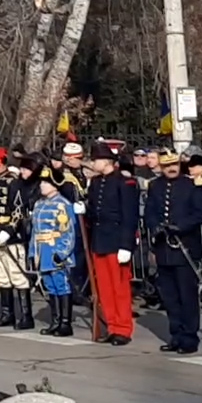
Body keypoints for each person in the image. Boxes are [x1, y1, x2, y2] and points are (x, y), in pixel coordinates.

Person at [143, 151, 202, 354]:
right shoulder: (155, 185)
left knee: (187, 296)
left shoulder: (192, 185)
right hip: (164, 247)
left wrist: (180, 226)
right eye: (167, 165)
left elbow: (201, 212)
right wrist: (156, 227)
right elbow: (150, 211)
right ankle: (176, 335)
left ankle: (189, 338)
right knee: (169, 296)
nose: (171, 168)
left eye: (175, 164)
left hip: (184, 246)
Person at [82, 143, 139, 346]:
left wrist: (126, 245)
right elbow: (94, 212)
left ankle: (123, 328)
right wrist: (84, 210)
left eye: (95, 160)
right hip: (100, 240)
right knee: (104, 288)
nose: (92, 163)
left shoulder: (125, 183)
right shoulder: (96, 183)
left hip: (116, 240)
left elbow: (129, 216)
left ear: (106, 161)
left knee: (119, 288)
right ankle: (111, 325)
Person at [0, 148, 35, 329]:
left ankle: (26, 316)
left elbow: (19, 210)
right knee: (1, 276)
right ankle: (7, 314)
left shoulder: (13, 182)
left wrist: (10, 230)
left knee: (17, 275)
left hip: (9, 236)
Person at [29, 167, 78, 336]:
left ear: (55, 185)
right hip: (42, 252)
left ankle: (65, 323)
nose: (41, 185)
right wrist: (32, 253)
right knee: (50, 286)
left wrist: (62, 253)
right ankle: (55, 321)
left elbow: (68, 232)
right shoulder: (39, 204)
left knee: (61, 285)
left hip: (56, 250)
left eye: (46, 182)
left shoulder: (63, 205)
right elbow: (35, 231)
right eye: (42, 182)